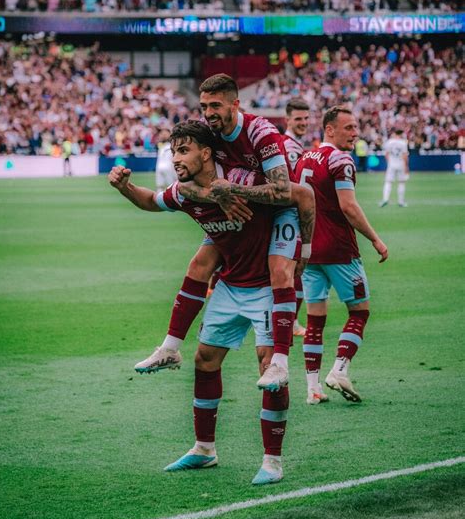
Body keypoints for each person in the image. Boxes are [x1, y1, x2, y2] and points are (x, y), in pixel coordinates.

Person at [109, 120, 315, 485]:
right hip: (231, 284)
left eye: (183, 150)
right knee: (205, 360)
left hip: (267, 285)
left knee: (268, 368)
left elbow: (297, 195)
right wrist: (125, 187)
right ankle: (204, 449)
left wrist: (305, 246)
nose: (175, 158)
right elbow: (150, 201)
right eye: (173, 151)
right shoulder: (186, 191)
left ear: (205, 153)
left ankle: (272, 461)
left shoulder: (240, 179)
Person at [137, 74, 312, 392]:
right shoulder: (210, 134)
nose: (208, 112)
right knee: (199, 264)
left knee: (278, 271)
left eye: (215, 105)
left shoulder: (260, 131)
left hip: (278, 208)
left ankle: (280, 363)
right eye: (204, 106)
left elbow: (285, 190)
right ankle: (170, 347)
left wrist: (233, 191)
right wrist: (218, 195)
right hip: (236, 210)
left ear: (235, 103)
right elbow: (188, 183)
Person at [296, 106, 388, 405]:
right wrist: (375, 238)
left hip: (308, 251)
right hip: (338, 249)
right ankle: (339, 369)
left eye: (356, 127)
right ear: (330, 130)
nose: (355, 132)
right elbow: (348, 207)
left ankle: (312, 389)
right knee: (359, 312)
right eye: (348, 127)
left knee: (315, 320)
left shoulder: (304, 159)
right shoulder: (340, 159)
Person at [283, 97, 309, 337]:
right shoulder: (290, 147)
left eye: (306, 118)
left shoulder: (292, 144)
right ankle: (290, 322)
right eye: (298, 119)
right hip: (291, 216)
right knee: (297, 267)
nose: (304, 122)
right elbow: (293, 185)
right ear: (287, 119)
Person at [380, 129, 410, 207]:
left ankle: (385, 199)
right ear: (401, 134)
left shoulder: (389, 142)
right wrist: (406, 166)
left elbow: (386, 154)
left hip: (391, 164)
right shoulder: (403, 143)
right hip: (401, 164)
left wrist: (389, 163)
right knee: (401, 182)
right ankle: (401, 202)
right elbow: (405, 156)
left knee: (388, 182)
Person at [155, 125, 177, 192]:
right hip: (159, 167)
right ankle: (159, 201)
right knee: (159, 186)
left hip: (169, 167)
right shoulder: (160, 144)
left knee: (171, 186)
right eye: (161, 134)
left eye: (165, 133)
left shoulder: (172, 145)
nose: (162, 135)